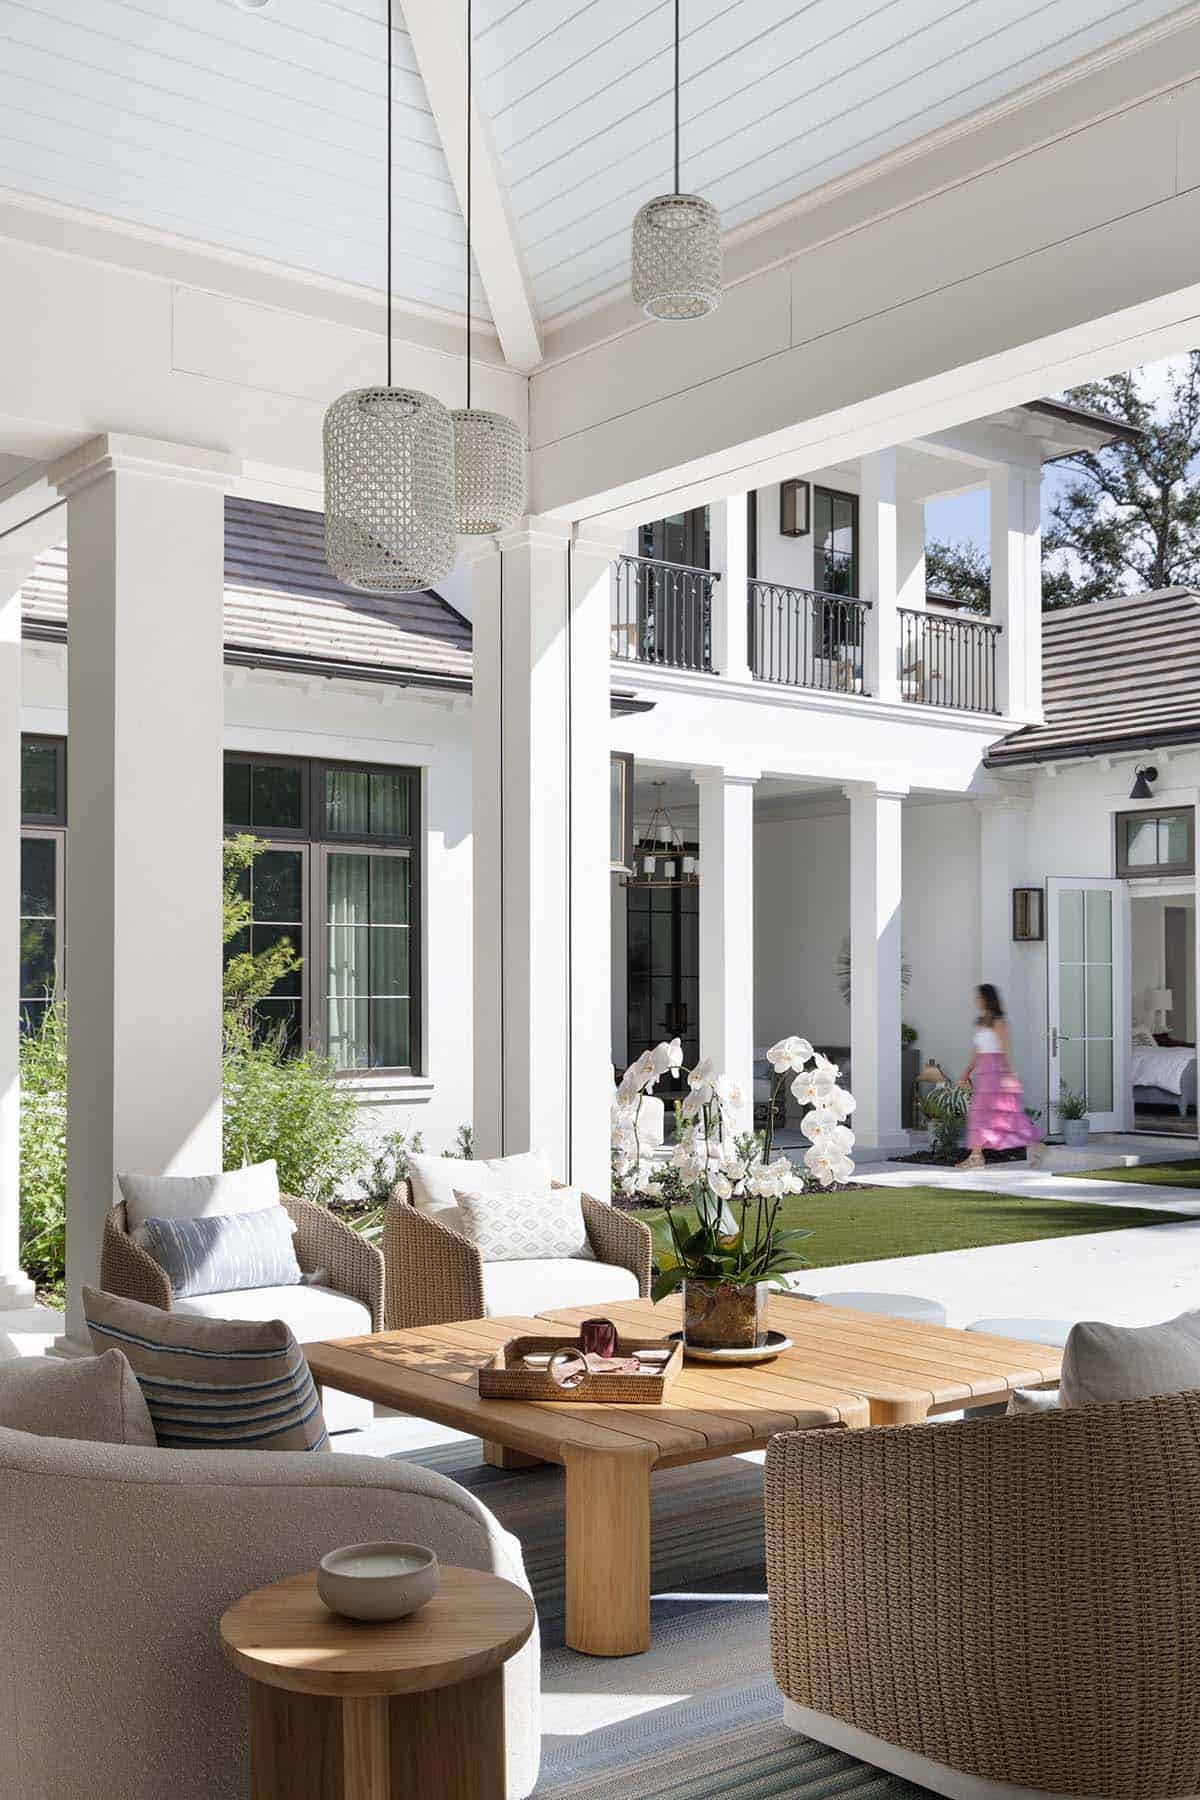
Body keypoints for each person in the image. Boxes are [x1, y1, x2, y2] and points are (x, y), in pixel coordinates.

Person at [956, 984, 1043, 1170]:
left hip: (996, 1072)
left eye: (979, 997)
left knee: (1004, 1114)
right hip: (984, 1072)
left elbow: (1005, 1051)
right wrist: (966, 1072)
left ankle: (1034, 1145)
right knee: (980, 1113)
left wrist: (1009, 1075)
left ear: (987, 999)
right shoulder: (981, 1023)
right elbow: (977, 1052)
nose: (976, 1000)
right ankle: (977, 1156)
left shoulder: (999, 1022)